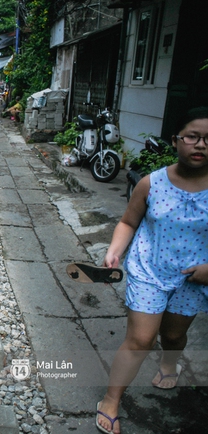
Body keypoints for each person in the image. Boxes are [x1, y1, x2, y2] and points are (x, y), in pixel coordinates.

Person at [95, 107, 208, 434]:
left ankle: (170, 361)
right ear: (175, 141)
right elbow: (128, 222)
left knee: (173, 335)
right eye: (192, 137)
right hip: (149, 271)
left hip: (193, 279)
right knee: (140, 339)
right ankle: (111, 400)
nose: (200, 145)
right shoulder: (150, 184)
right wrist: (114, 252)